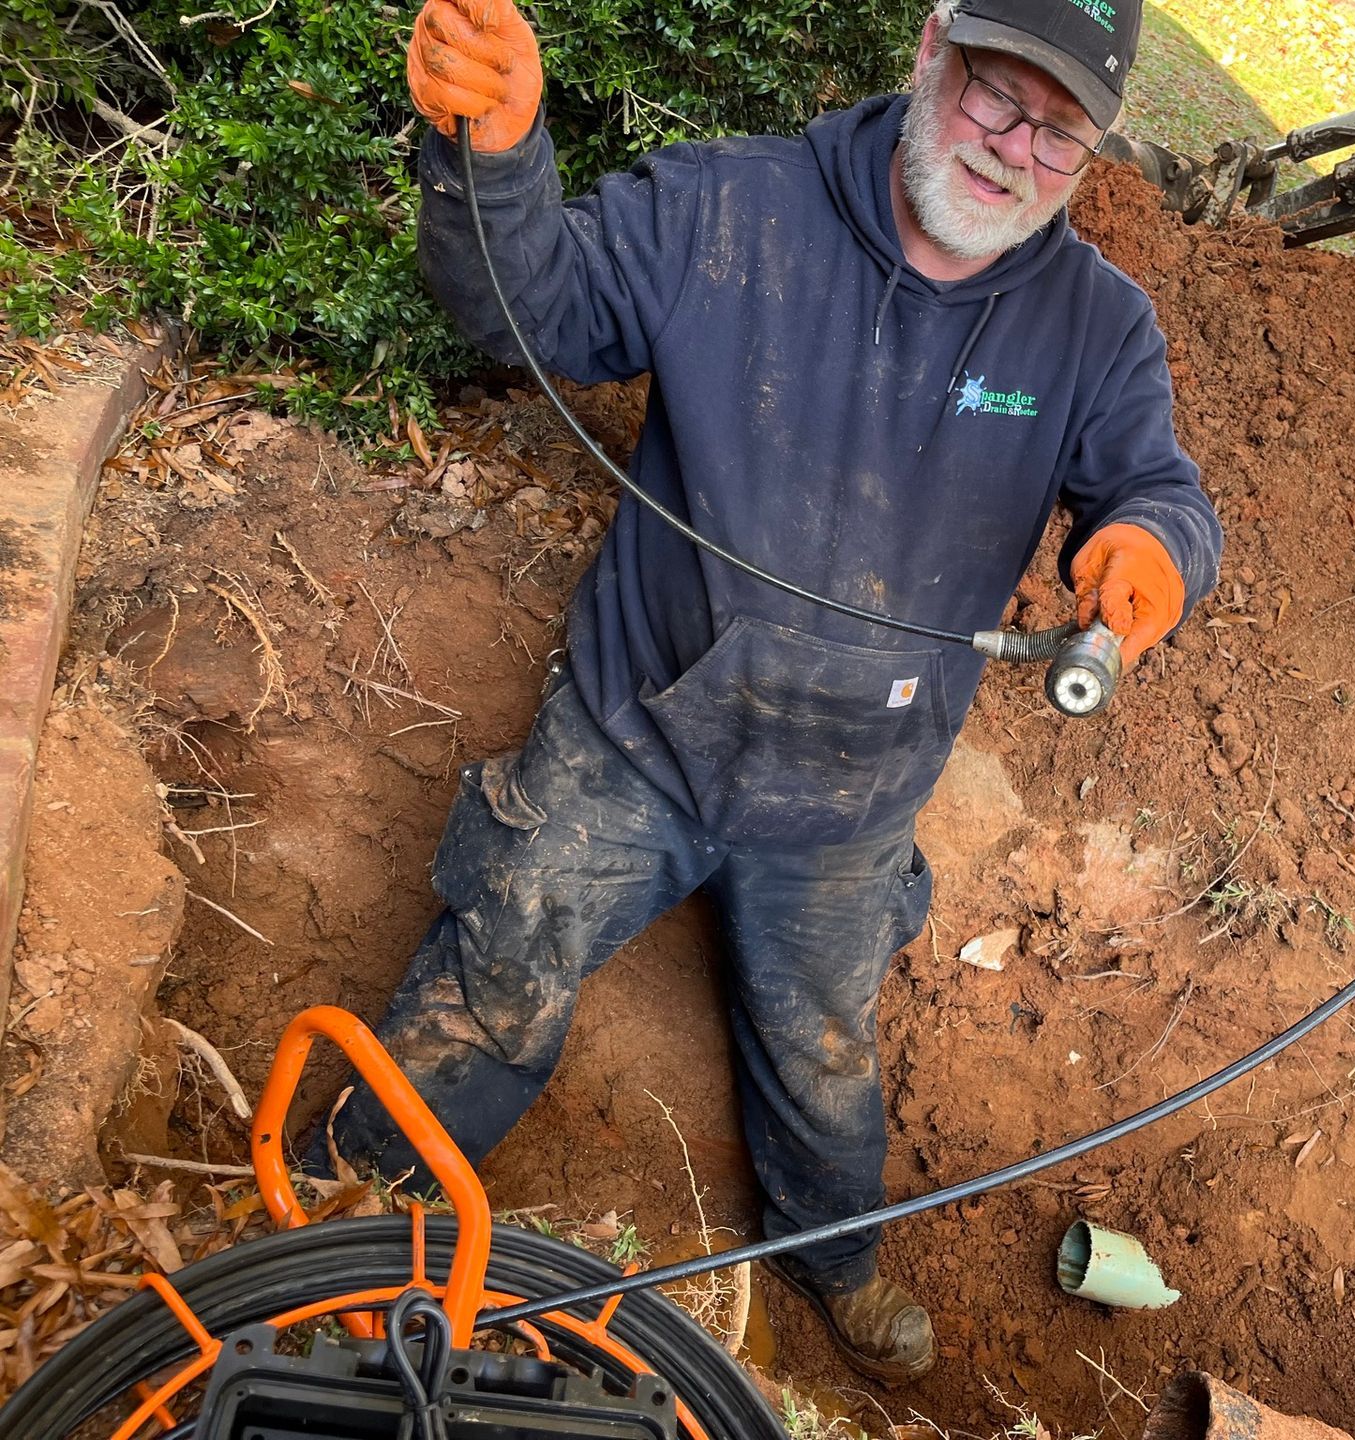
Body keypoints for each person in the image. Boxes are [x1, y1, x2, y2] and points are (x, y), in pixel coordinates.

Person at [333, 0, 1222, 1384]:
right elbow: (531, 314)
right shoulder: (732, 209)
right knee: (499, 964)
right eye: (998, 94)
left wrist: (1155, 550)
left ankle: (834, 1264)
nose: (1014, 150)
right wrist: (493, 158)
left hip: (854, 794)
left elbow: (1156, 488)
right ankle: (342, 1215)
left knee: (821, 1058)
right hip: (639, 735)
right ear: (934, 49)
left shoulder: (1095, 329)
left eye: (1062, 133)